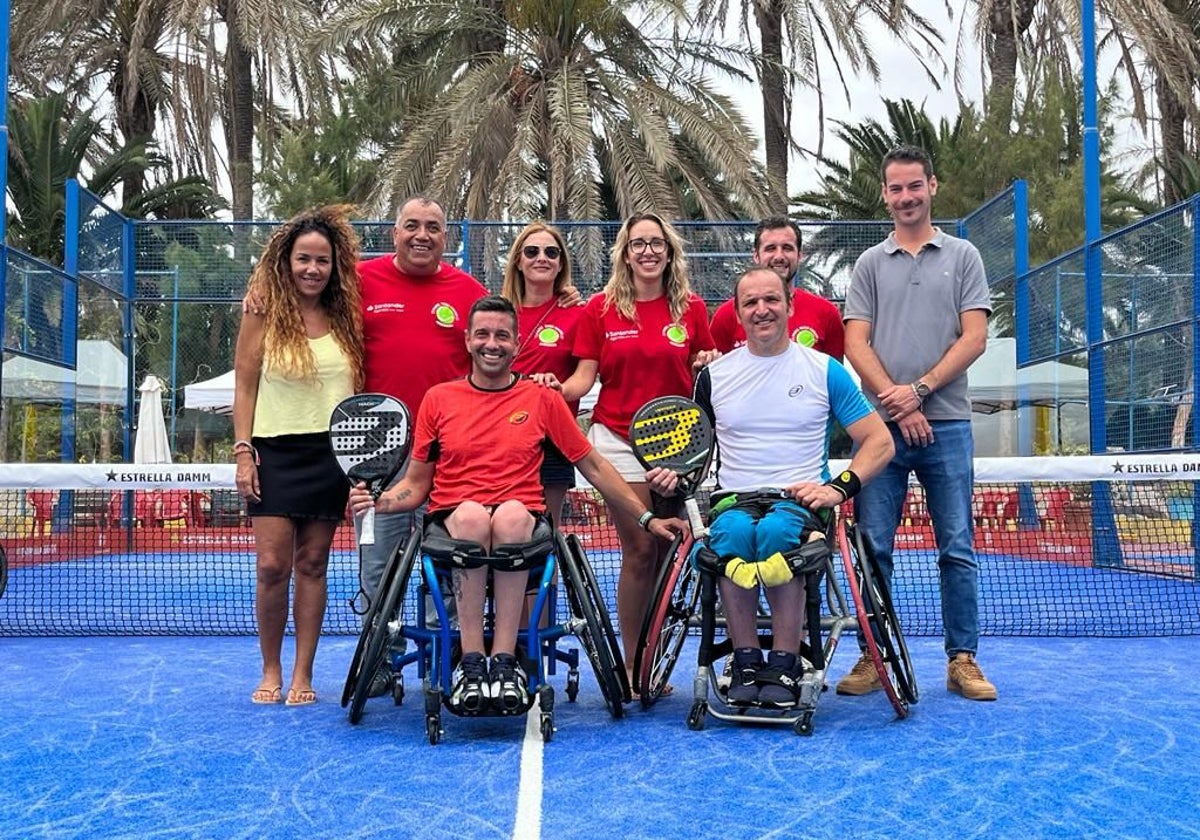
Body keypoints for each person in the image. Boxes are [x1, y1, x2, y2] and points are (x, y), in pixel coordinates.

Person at [348, 296, 683, 713]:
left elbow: (595, 466)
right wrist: (379, 503)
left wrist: (647, 518)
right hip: (455, 517)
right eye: (483, 335)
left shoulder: (542, 400)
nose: (493, 344)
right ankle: (472, 663)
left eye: (502, 336)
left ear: (516, 342)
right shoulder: (438, 399)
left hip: (520, 518)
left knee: (508, 516)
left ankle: (505, 661)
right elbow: (416, 486)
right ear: (468, 340)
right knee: (470, 515)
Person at [648, 266, 893, 707]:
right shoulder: (713, 376)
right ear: (737, 314)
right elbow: (696, 457)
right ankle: (744, 661)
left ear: (789, 306)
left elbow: (879, 440)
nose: (762, 310)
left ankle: (784, 663)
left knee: (779, 536)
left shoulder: (826, 371)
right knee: (734, 536)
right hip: (734, 501)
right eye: (750, 303)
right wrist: (675, 477)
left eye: (771, 301)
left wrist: (838, 488)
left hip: (799, 502)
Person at [839, 145, 996, 701]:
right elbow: (855, 342)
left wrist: (919, 394)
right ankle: (872, 653)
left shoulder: (964, 256)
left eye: (915, 186)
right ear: (885, 194)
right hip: (880, 434)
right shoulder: (869, 265)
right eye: (896, 188)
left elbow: (973, 337)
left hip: (947, 426)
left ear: (933, 186)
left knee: (956, 546)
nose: (906, 197)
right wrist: (896, 404)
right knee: (872, 546)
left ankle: (962, 659)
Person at [543, 212, 717, 681]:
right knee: (641, 546)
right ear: (624, 252)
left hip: (678, 448)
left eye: (656, 243)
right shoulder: (600, 309)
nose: (647, 251)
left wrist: (706, 359)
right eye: (638, 243)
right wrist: (549, 390)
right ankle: (634, 662)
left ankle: (653, 649)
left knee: (665, 555)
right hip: (617, 440)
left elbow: (703, 366)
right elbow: (584, 376)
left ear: (669, 250)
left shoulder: (692, 309)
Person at [233, 205, 366, 706]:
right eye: (303, 259)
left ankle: (302, 676)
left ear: (335, 267)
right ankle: (270, 669)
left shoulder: (347, 313)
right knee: (271, 566)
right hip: (272, 452)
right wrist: (244, 451)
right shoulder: (261, 309)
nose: (312, 269)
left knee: (313, 564)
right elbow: (245, 386)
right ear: (285, 261)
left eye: (323, 261)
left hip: (332, 455)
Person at [500, 222, 586, 527]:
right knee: (496, 527)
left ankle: (548, 579)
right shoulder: (497, 311)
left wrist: (558, 388)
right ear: (518, 261)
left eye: (551, 252)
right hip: (498, 435)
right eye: (532, 251)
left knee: (544, 531)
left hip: (552, 437)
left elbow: (584, 378)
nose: (542, 258)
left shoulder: (578, 314)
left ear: (561, 262)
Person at [708, 217, 845, 360]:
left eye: (787, 248)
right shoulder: (726, 315)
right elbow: (716, 372)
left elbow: (832, 374)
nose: (779, 256)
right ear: (756, 256)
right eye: (770, 248)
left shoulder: (826, 313)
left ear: (799, 255)